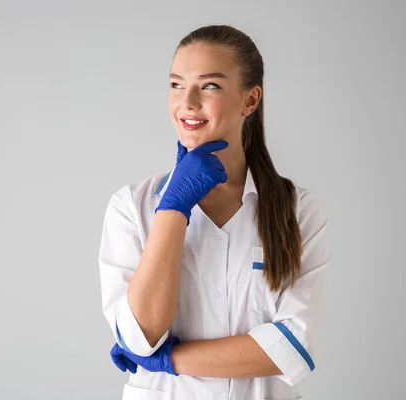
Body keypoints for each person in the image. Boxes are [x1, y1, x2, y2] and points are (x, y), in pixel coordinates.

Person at [98, 24, 330, 400]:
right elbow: (142, 338)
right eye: (176, 84)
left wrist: (172, 359)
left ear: (250, 101)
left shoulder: (297, 210)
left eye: (209, 86)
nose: (187, 102)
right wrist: (173, 207)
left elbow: (294, 345)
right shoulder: (132, 207)